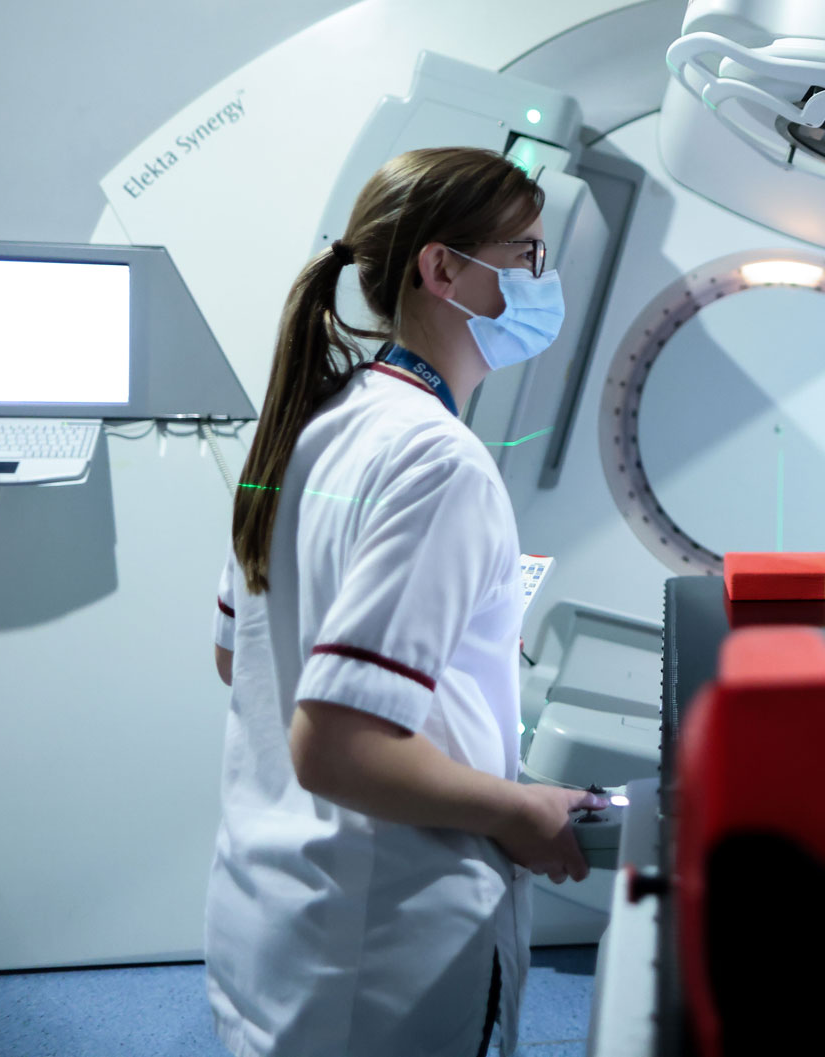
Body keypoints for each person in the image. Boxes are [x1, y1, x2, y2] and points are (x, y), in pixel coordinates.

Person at [205, 147, 601, 1057]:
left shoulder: (314, 421)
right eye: (530, 256)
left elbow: (243, 655)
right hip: (381, 938)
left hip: (275, 908)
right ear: (442, 268)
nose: (546, 282)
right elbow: (338, 744)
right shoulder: (439, 462)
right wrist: (515, 808)